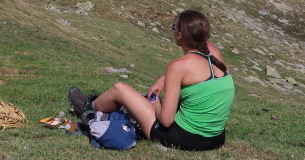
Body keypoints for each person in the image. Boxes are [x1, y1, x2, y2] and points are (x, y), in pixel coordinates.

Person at [70, 10, 235, 150]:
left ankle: (87, 109)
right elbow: (195, 74)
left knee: (120, 89)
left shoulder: (177, 67)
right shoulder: (213, 52)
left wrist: (155, 103)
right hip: (215, 139)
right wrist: (162, 81)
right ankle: (97, 106)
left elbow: (166, 121)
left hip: (184, 140)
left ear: (180, 35)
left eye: (174, 27)